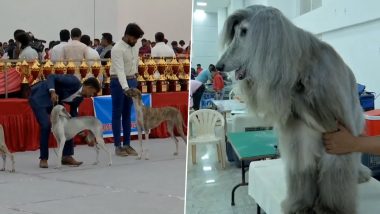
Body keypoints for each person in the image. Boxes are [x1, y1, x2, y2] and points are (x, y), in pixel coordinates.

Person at [29, 75, 100, 168]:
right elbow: (51, 77)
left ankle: (66, 156)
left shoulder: (80, 98)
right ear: (89, 87)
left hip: (55, 102)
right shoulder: (73, 81)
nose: (91, 96)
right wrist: (52, 92)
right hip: (40, 96)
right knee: (46, 125)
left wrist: (82, 133)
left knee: (69, 123)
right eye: (92, 93)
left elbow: (73, 115)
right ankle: (43, 158)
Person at [110, 23, 144, 156]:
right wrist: (126, 88)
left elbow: (135, 63)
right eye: (135, 38)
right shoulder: (117, 49)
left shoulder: (134, 47)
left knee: (127, 114)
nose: (136, 41)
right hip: (118, 82)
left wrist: (135, 79)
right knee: (117, 113)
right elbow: (119, 70)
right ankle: (118, 146)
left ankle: (127, 144)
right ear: (128, 36)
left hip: (131, 80)